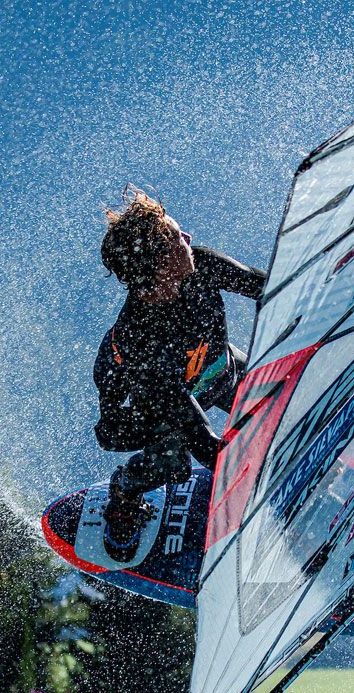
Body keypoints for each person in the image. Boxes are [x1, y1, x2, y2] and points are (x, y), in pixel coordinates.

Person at [93, 188, 266, 561]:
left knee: (273, 388)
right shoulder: (141, 341)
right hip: (142, 413)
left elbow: (269, 288)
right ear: (160, 265)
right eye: (176, 238)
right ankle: (125, 491)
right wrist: (263, 479)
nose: (187, 237)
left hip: (215, 370)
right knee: (174, 460)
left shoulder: (201, 265)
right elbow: (203, 442)